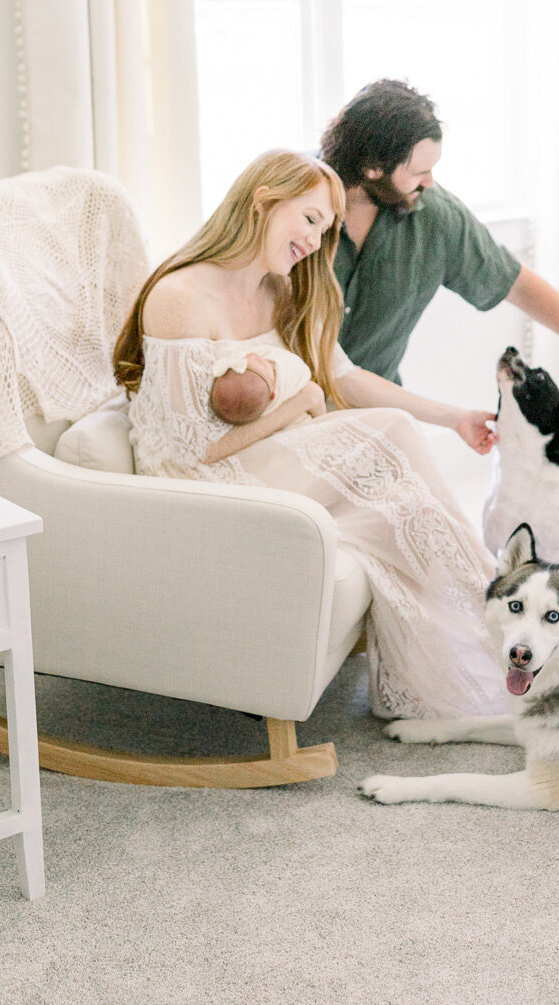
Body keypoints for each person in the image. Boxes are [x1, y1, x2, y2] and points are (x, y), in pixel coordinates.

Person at [114, 149, 507, 721]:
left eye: (326, 230)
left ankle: (490, 629)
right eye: (310, 220)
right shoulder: (180, 297)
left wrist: (452, 417)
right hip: (204, 479)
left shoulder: (281, 291)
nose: (316, 243)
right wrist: (300, 402)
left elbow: (345, 377)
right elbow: (192, 452)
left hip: (266, 454)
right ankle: (502, 609)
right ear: (263, 200)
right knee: (387, 448)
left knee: (402, 492)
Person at [320, 80, 559, 406]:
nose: (429, 183)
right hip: (286, 410)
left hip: (373, 412)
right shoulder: (290, 197)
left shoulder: (435, 216)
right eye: (417, 173)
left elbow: (518, 285)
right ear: (372, 168)